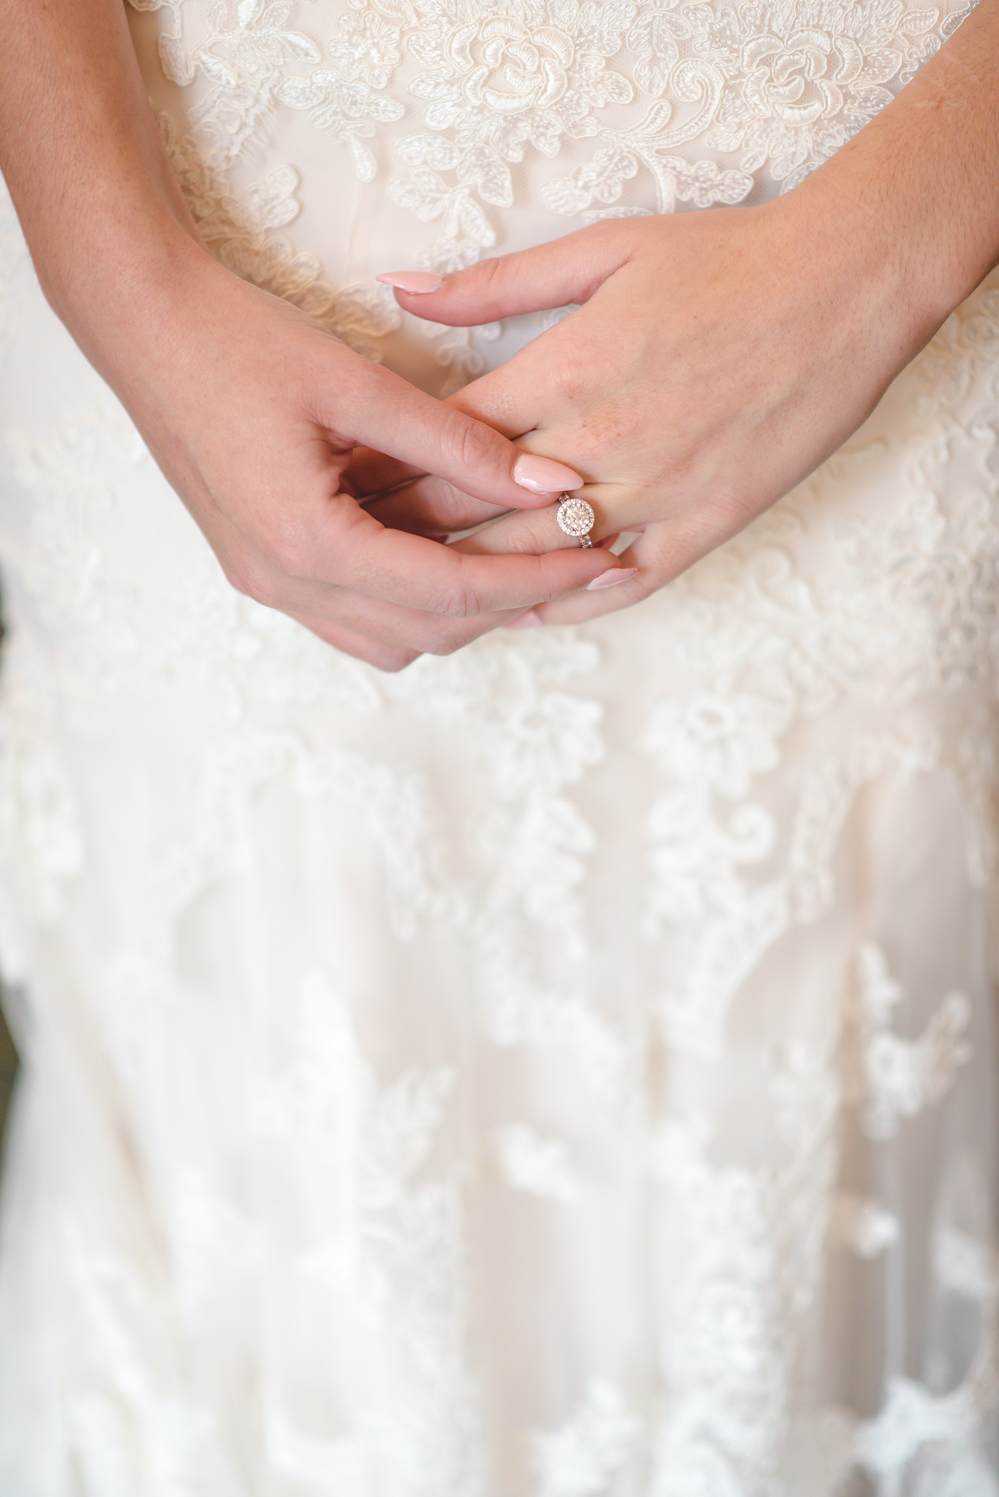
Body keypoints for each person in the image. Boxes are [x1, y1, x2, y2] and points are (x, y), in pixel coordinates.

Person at [0, 0, 996, 1489]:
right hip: (189, 288)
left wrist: (892, 247)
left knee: (808, 1134)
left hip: (878, 281)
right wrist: (118, 273)